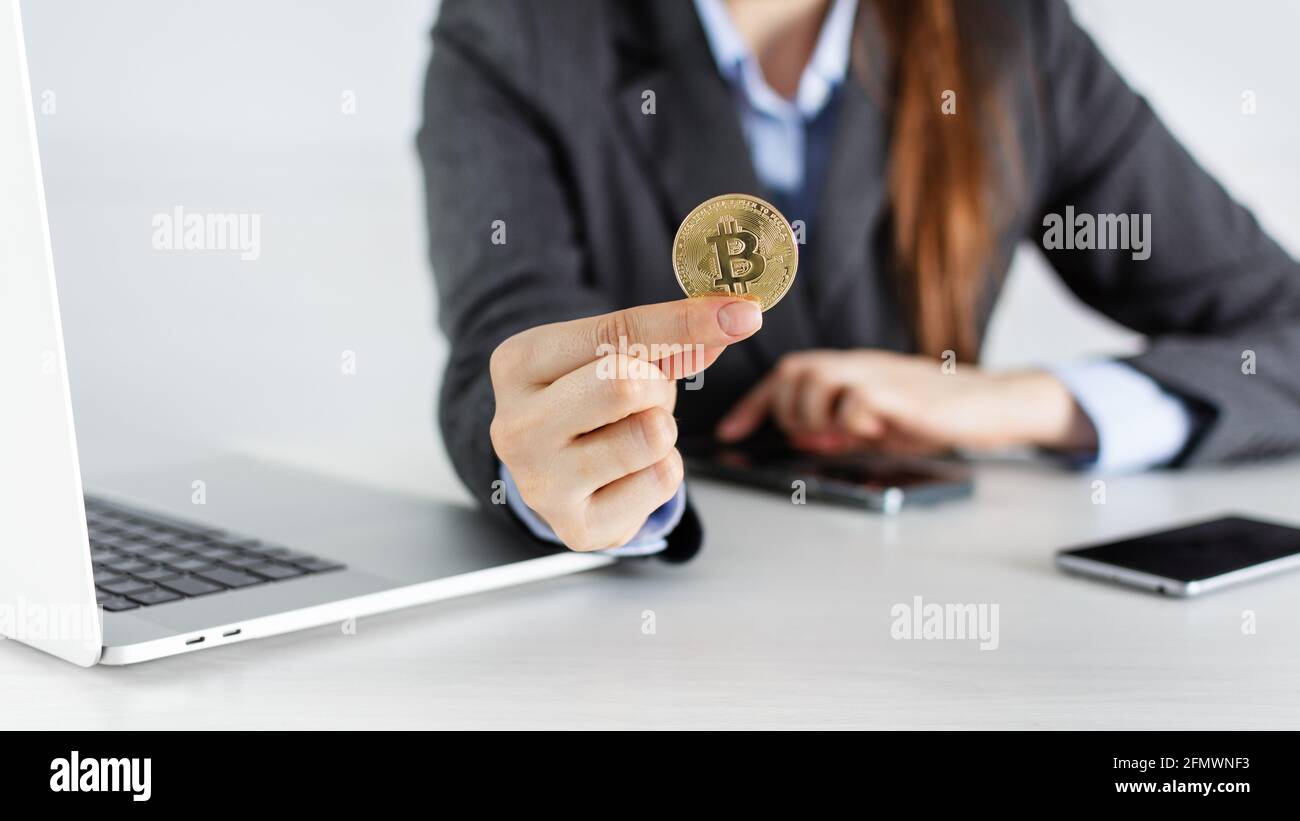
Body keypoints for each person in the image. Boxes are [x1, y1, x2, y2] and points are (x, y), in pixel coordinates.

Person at [418, 0, 1300, 560]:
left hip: (942, 594)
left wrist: (1021, 403)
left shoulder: (1013, 34)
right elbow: (505, 361)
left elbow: (1285, 327)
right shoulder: (514, 32)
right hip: (650, 631)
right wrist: (552, 471)